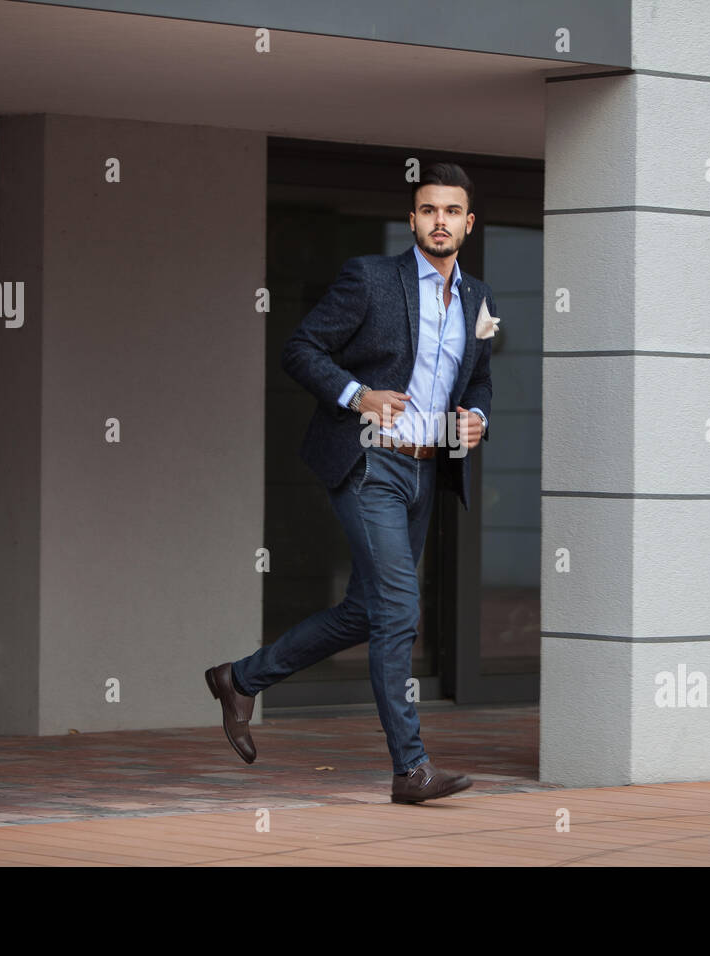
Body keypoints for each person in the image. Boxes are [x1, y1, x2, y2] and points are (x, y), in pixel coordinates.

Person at [206, 162, 495, 804]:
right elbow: (301, 349)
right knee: (398, 610)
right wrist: (359, 395)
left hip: (427, 466)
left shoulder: (477, 299)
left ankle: (241, 678)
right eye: (429, 210)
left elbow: (476, 380)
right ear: (413, 219)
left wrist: (477, 418)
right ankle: (410, 769)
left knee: (366, 611)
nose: (440, 221)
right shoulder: (371, 278)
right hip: (369, 462)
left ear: (467, 224)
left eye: (452, 211)